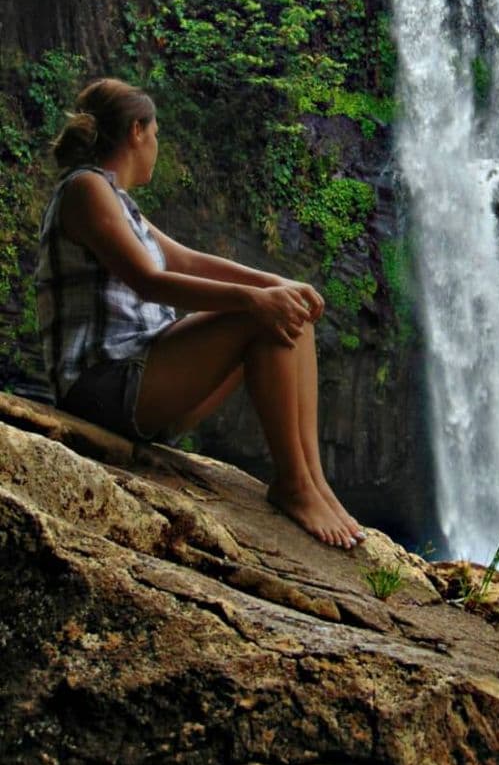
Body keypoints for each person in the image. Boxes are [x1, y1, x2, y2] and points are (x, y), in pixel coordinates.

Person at [36, 77, 364, 549]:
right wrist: (253, 300)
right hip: (104, 387)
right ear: (136, 131)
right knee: (262, 317)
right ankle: (292, 483)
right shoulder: (85, 190)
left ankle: (313, 480)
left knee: (291, 313)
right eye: (156, 133)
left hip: (141, 382)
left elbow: (184, 259)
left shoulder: (116, 200)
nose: (157, 144)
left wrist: (275, 284)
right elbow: (149, 282)